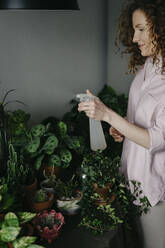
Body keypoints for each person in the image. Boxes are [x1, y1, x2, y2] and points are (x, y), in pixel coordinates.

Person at [78, 0, 165, 247]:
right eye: (133, 29)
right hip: (132, 179)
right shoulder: (149, 66)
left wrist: (107, 115)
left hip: (155, 188)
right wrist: (124, 129)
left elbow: (156, 139)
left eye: (141, 29)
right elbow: (142, 122)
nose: (135, 37)